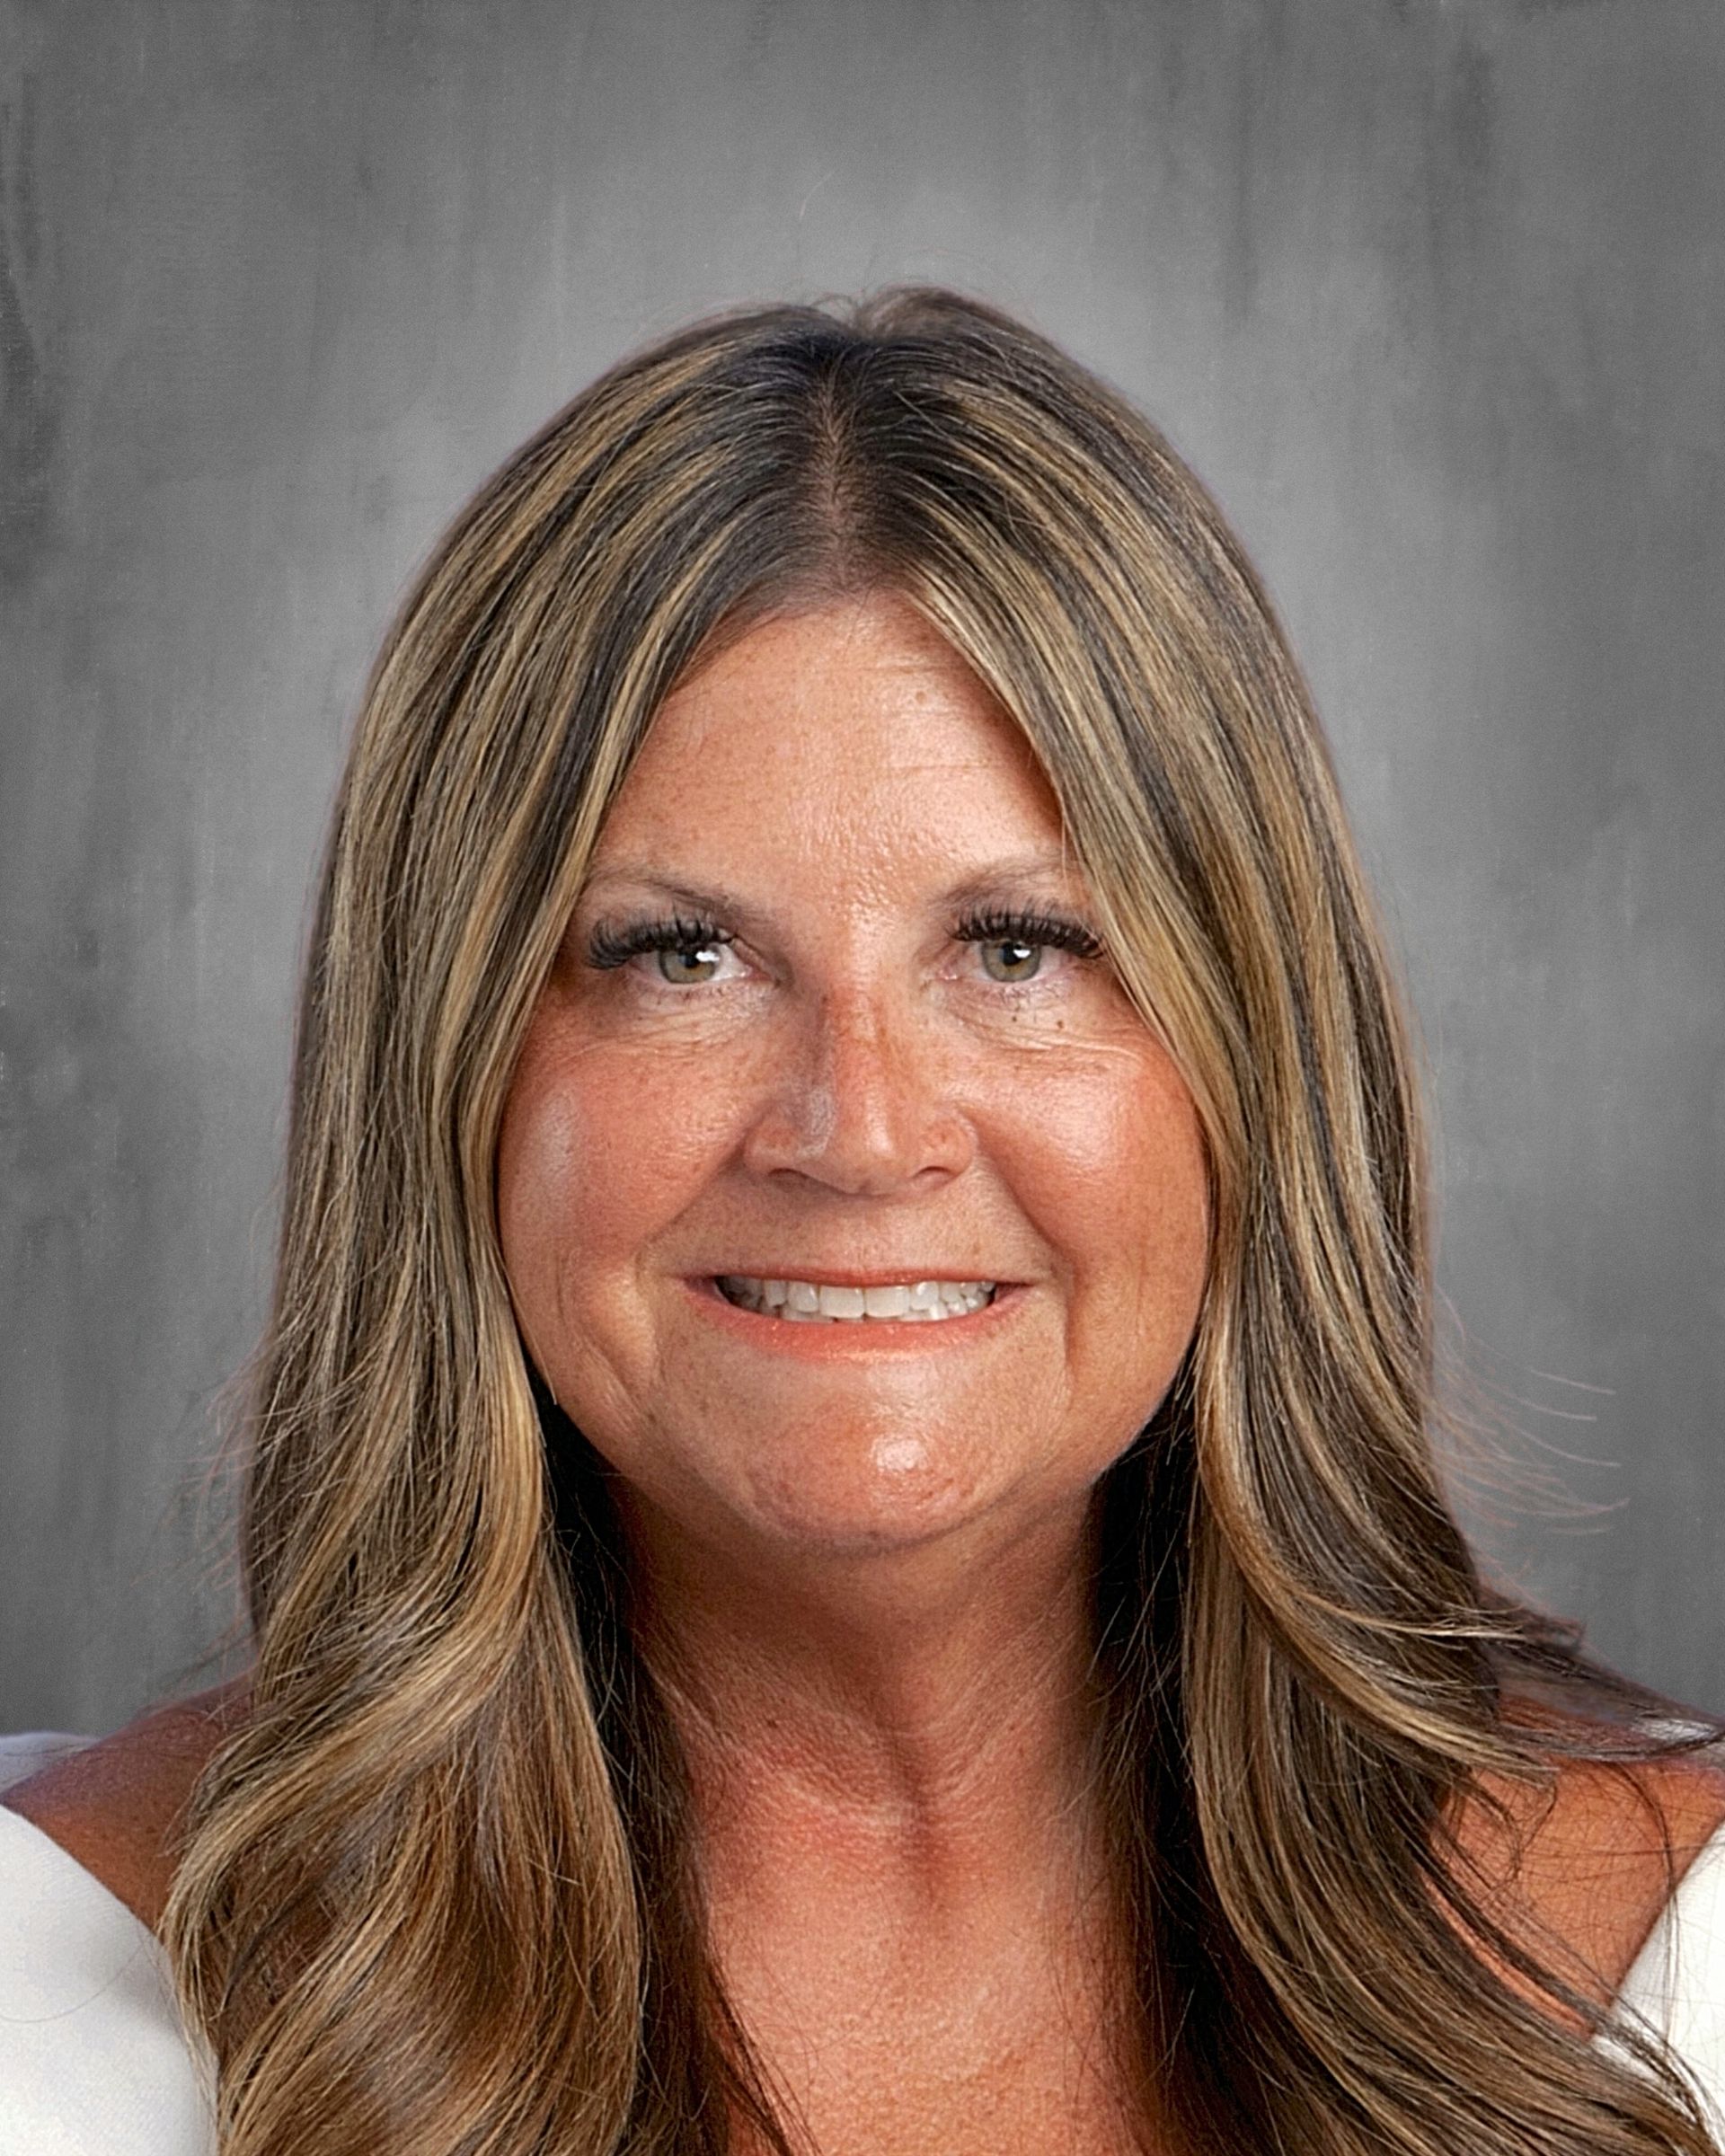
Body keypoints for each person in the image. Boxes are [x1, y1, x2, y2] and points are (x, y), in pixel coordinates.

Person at [3, 287, 1722, 2156]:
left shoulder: (1683, 1979)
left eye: (1019, 947)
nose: (861, 1128)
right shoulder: (53, 2012)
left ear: (1251, 1068)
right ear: (453, 1076)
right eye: (682, 953)